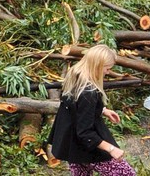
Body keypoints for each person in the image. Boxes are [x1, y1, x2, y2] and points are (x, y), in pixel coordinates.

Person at [49, 44, 136, 176]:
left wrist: (102, 110)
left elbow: (76, 108)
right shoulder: (88, 92)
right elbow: (85, 133)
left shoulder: (74, 76)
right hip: (88, 147)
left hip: (71, 144)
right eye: (107, 69)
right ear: (97, 66)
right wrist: (111, 149)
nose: (107, 72)